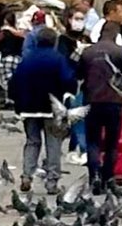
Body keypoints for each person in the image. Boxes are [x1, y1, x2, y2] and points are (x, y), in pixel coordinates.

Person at [9, 15, 80, 193]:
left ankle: (27, 175)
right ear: (54, 41)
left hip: (29, 108)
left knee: (32, 142)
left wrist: (17, 104)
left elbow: (14, 82)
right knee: (53, 143)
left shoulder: (27, 60)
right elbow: (68, 80)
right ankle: (51, 181)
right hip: (51, 108)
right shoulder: (58, 59)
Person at [77, 15, 122, 193]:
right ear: (115, 35)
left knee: (93, 141)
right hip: (113, 101)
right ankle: (108, 177)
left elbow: (78, 74)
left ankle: (94, 176)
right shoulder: (120, 51)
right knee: (112, 143)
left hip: (91, 101)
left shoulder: (88, 52)